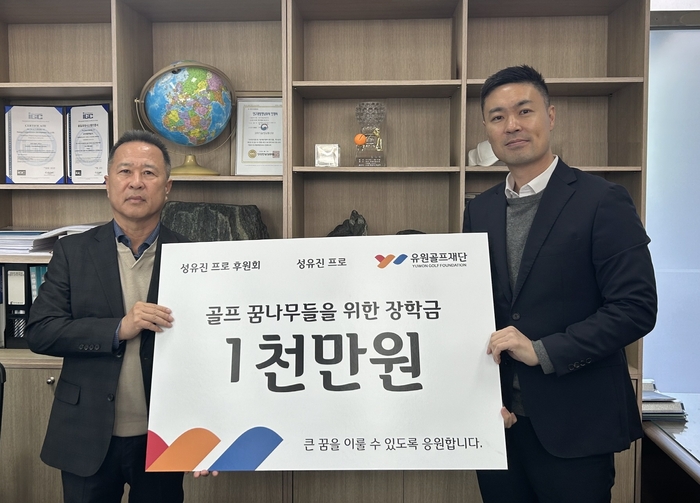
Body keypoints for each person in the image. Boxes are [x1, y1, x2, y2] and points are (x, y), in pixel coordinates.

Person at [462, 65, 657, 503]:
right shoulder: (481, 209)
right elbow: (474, 308)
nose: (512, 125)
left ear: (550, 115)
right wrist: (476, 400)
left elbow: (636, 308)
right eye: (497, 117)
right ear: (487, 130)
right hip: (500, 424)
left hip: (576, 424)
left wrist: (544, 350)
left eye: (524, 111)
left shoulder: (602, 200)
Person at [26, 130, 190, 503]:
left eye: (149, 172)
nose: (136, 182)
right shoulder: (73, 252)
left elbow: (211, 351)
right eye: (125, 171)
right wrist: (118, 328)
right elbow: (41, 331)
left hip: (163, 438)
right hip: (86, 433)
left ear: (167, 187)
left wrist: (214, 433)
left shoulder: (192, 257)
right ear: (107, 183)